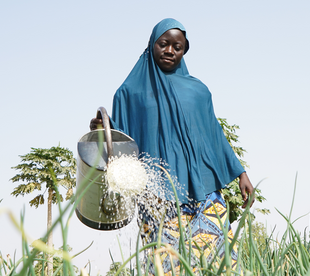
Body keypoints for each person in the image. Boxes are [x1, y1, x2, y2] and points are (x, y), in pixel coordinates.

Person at [90, 18, 254, 275]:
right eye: (163, 44)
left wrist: (240, 173)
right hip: (156, 196)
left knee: (219, 265)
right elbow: (119, 143)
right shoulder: (129, 93)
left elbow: (214, 134)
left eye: (177, 47)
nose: (170, 51)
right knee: (166, 267)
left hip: (204, 194)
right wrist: (102, 129)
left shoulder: (199, 91)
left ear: (184, 50)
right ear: (151, 46)